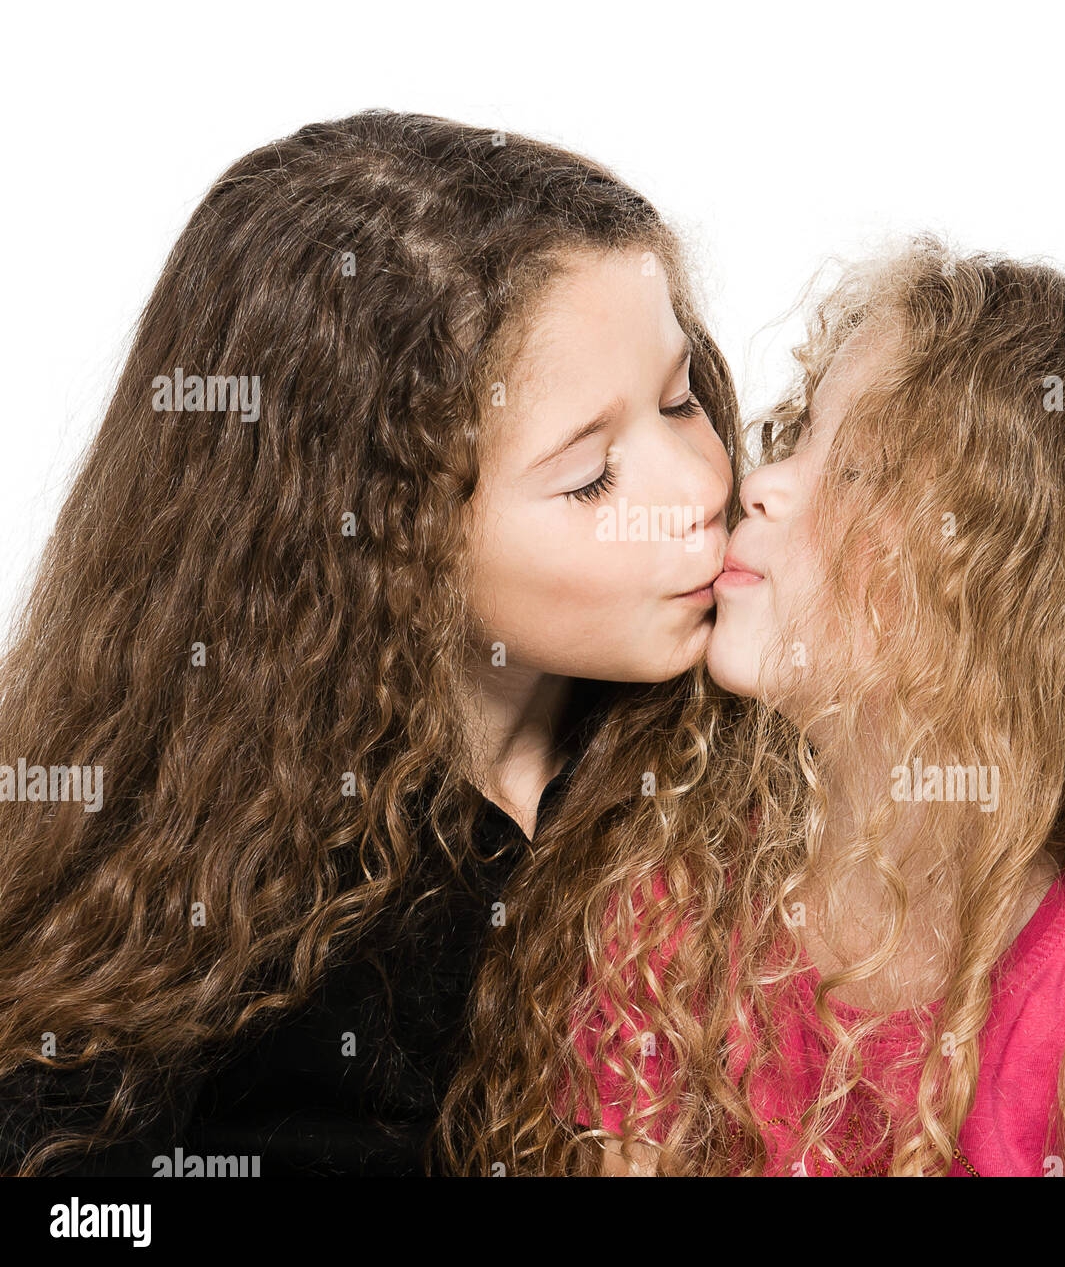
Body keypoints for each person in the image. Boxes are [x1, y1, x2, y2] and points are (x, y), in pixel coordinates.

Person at [451, 235, 1065, 1177]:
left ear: (1019, 614)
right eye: (802, 434)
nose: (759, 485)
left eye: (857, 475)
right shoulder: (668, 901)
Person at [0, 110, 744, 1175]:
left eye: (680, 401)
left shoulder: (749, 733)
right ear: (384, 536)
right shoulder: (240, 964)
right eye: (589, 477)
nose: (700, 492)